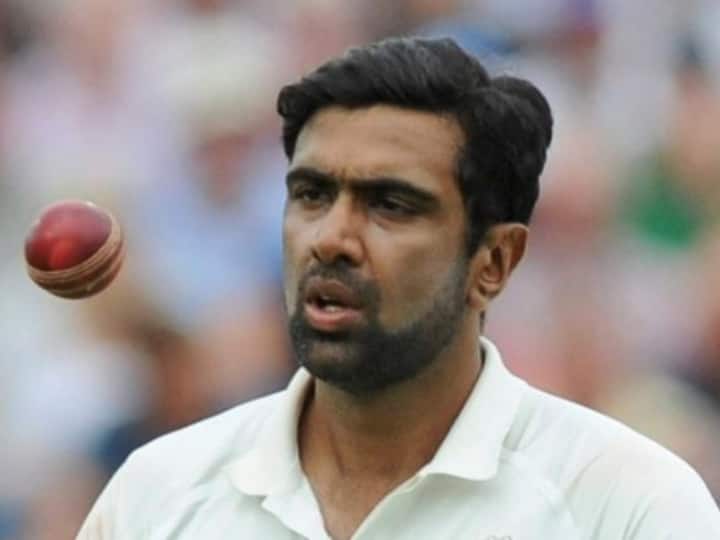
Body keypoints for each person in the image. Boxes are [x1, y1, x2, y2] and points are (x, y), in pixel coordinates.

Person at [76, 36, 720, 539]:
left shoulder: (628, 506)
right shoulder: (156, 496)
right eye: (311, 194)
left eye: (390, 204)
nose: (331, 238)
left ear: (494, 261)